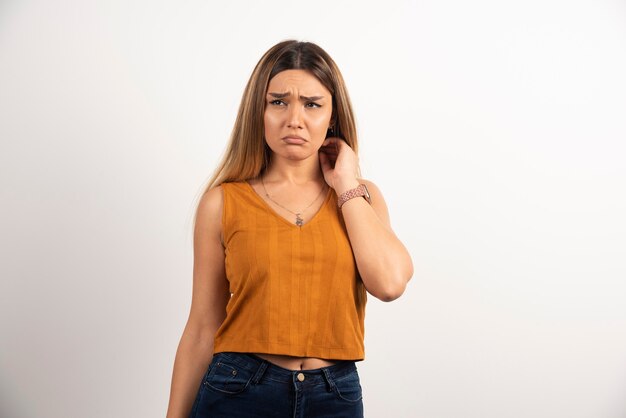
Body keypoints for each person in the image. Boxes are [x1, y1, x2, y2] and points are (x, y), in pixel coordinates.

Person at [166, 40, 413, 418]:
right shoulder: (223, 202)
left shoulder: (360, 198)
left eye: (312, 104)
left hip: (335, 397)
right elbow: (202, 327)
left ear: (332, 116)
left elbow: (390, 284)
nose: (294, 119)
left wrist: (346, 185)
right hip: (237, 390)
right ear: (259, 112)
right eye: (278, 102)